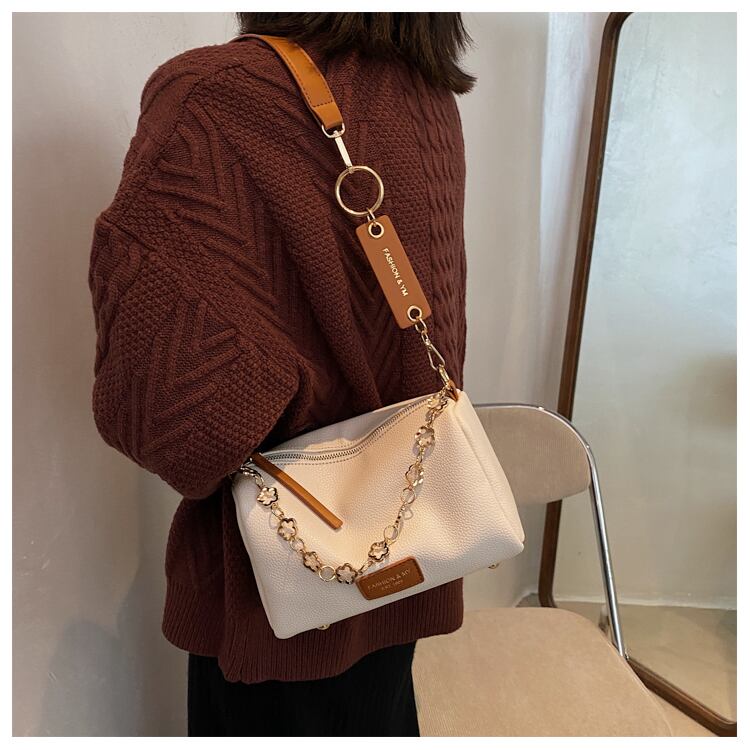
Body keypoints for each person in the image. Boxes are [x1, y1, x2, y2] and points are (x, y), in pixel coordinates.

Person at [88, 11, 475, 737]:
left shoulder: (214, 95)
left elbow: (161, 413)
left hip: (283, 582)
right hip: (408, 538)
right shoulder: (427, 96)